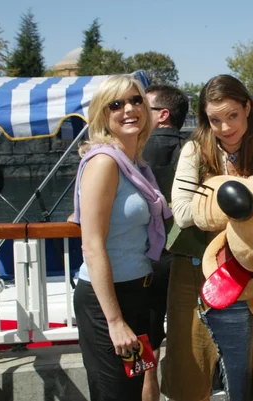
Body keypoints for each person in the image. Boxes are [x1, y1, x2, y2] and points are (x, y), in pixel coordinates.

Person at [161, 74, 253, 401]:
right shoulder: (195, 150)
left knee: (246, 372)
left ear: (247, 108)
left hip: (247, 278)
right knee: (190, 371)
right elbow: (181, 211)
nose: (225, 127)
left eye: (232, 115)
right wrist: (237, 198)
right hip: (193, 276)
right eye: (215, 120)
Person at [72, 75, 171, 401]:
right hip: (106, 304)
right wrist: (114, 322)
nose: (128, 109)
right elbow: (92, 244)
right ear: (103, 115)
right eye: (116, 104)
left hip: (136, 295)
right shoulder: (104, 163)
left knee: (131, 390)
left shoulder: (134, 164)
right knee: (114, 394)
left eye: (135, 100)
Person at [140, 84, 189, 401]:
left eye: (143, 106)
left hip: (145, 262)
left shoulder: (133, 152)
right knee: (197, 344)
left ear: (162, 114)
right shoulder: (198, 150)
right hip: (192, 258)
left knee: (145, 348)